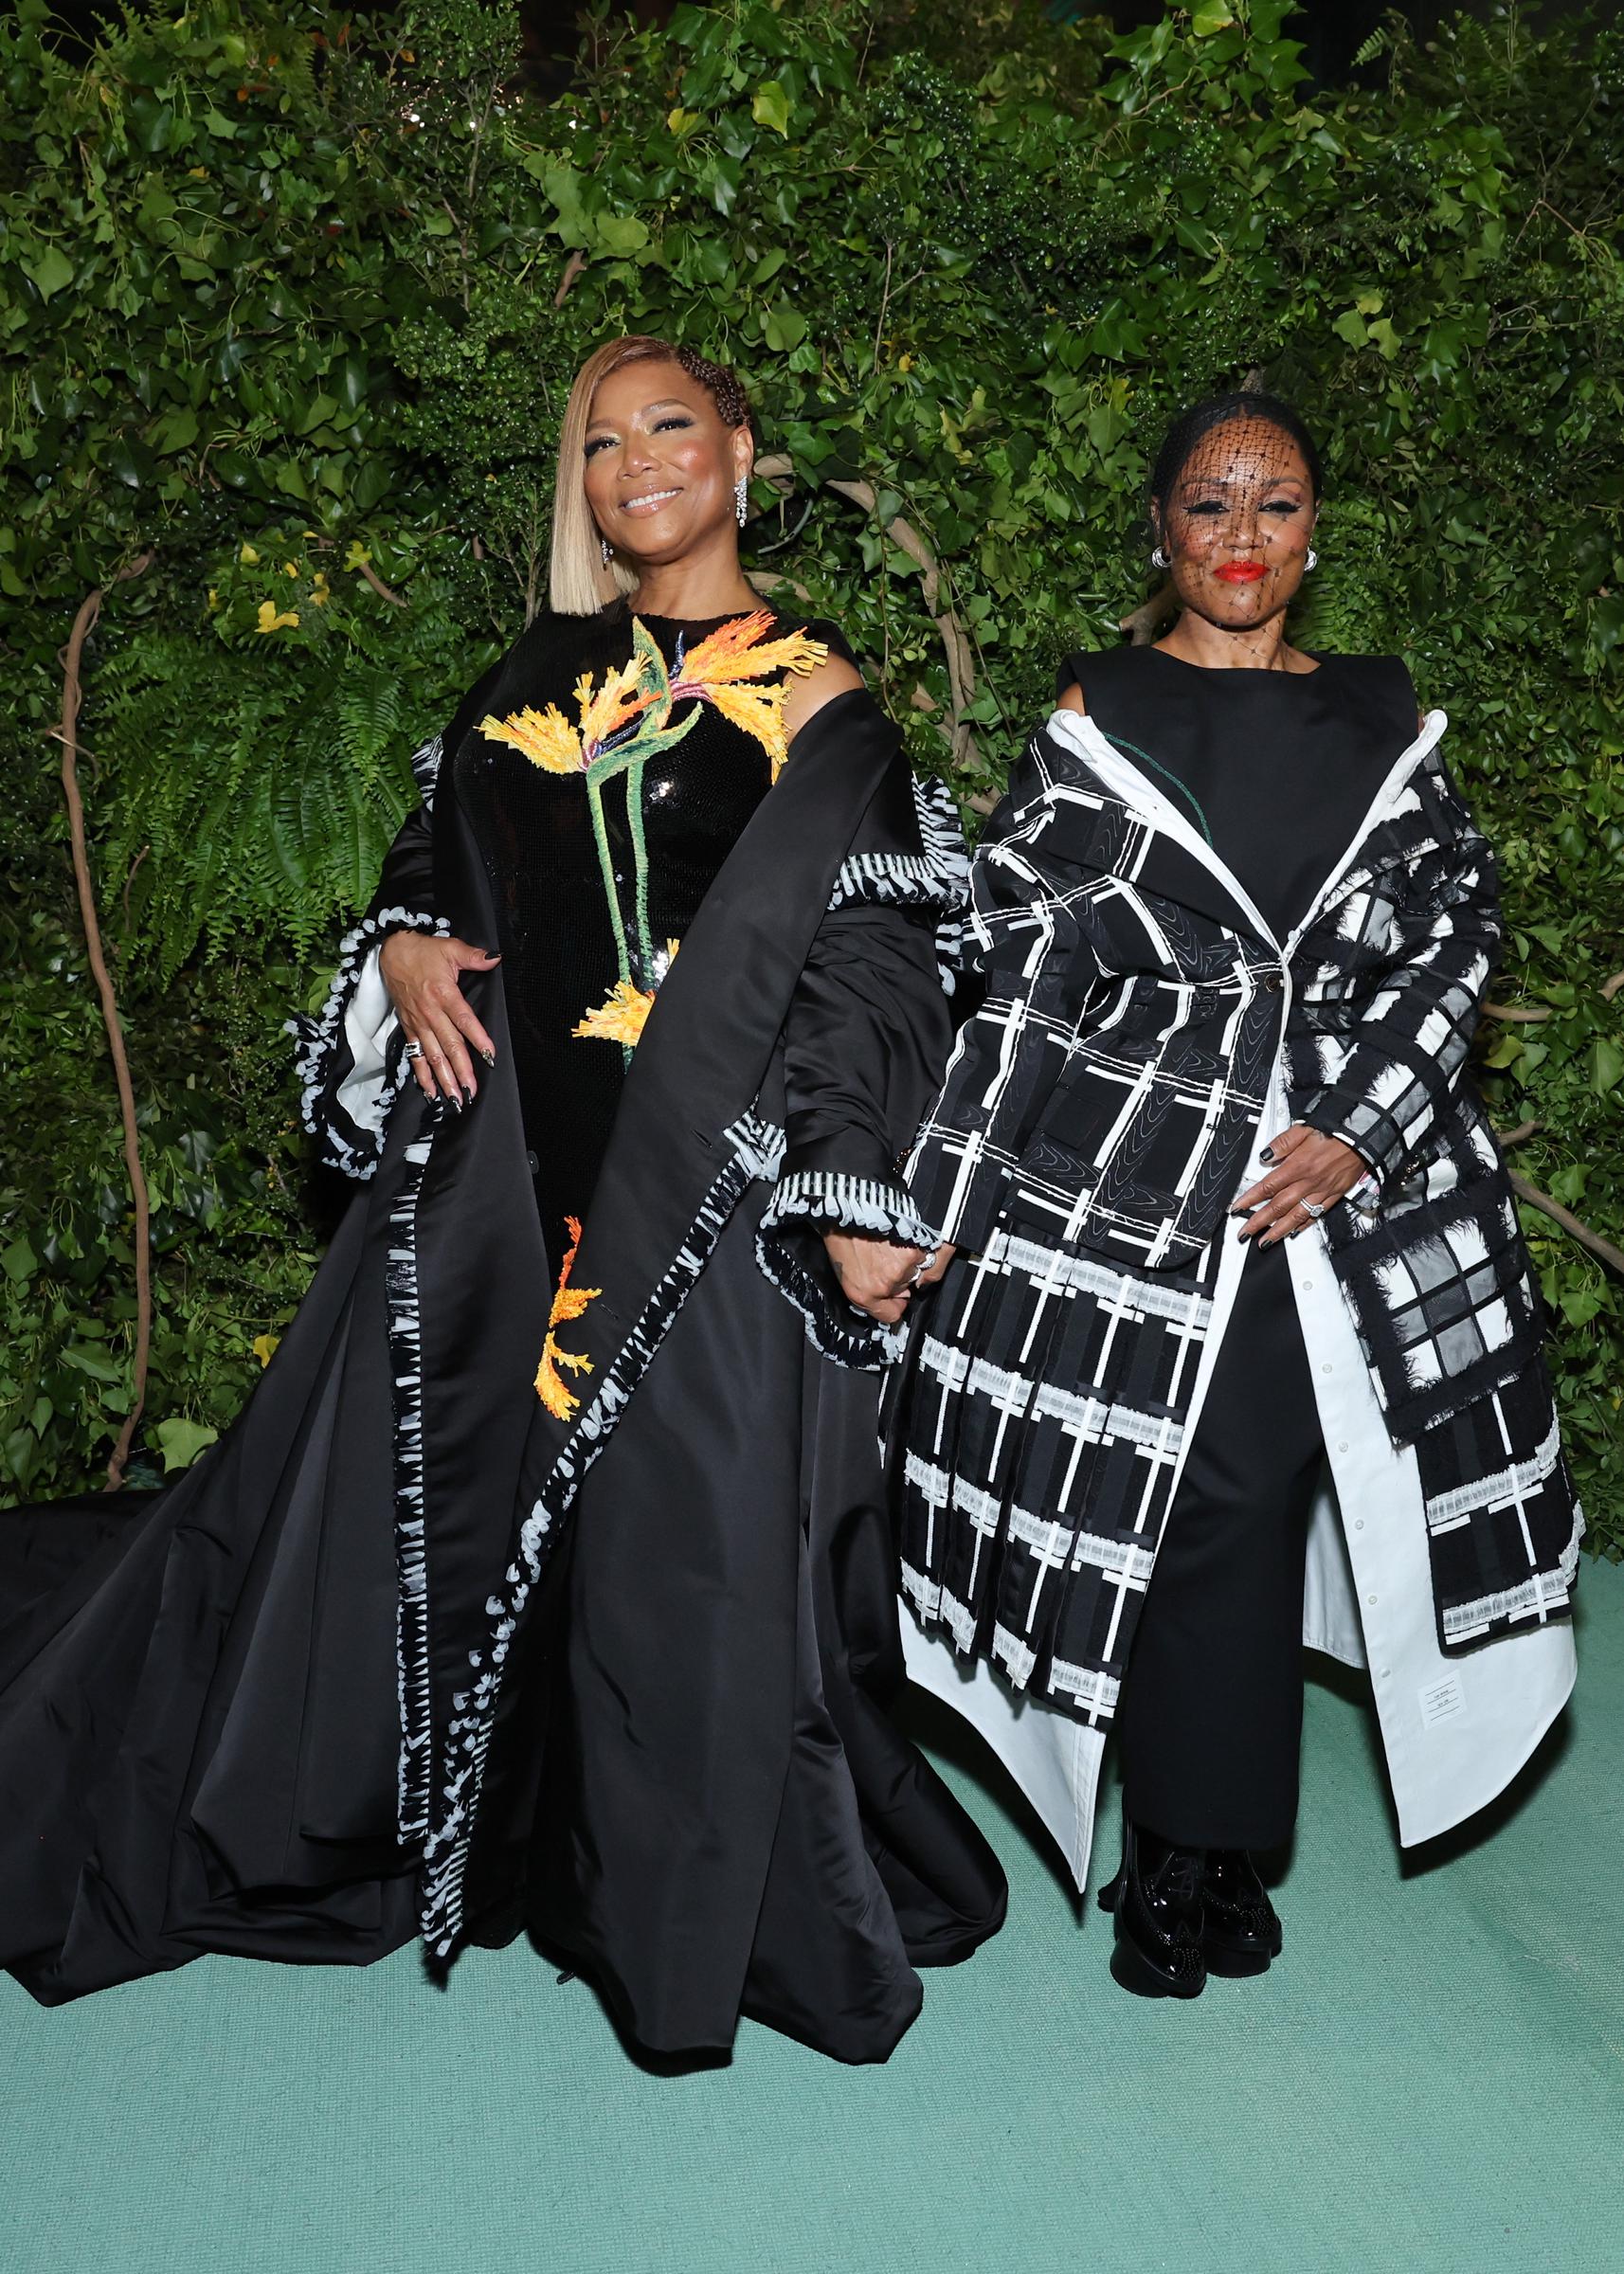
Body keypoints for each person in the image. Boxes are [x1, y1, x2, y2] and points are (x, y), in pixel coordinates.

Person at [0, 334, 1005, 2063]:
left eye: (668, 430)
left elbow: (872, 963)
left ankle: (668, 1905)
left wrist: (849, 1187)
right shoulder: (533, 669)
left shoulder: (822, 700)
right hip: (505, 1186)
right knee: (457, 1526)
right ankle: (494, 1835)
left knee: (673, 1579)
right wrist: (395, 947)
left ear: (740, 452)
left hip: (709, 1201)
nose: (636, 469)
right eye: (601, 446)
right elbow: (439, 854)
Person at [888, 390, 1580, 1999]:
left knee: (1266, 1498)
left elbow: (1455, 933)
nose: (1243, 536)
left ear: (1313, 533)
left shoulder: (1379, 715)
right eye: (1211, 504)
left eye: (1275, 505)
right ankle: (1180, 1855)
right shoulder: (1100, 709)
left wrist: (1357, 1120)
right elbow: (1025, 971)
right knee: (1173, 1497)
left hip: (1344, 1200)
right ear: (1162, 529)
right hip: (1131, 1191)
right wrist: (932, 1197)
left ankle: (1215, 1844)